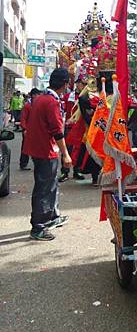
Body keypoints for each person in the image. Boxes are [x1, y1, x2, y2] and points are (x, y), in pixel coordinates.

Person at [24, 68, 72, 241]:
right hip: (45, 149)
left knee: (49, 185)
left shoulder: (41, 98)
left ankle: (52, 216)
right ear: (65, 84)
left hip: (38, 148)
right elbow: (57, 131)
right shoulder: (51, 102)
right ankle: (38, 226)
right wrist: (66, 155)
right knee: (45, 188)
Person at [59, 76, 88, 182]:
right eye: (81, 83)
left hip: (81, 127)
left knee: (79, 149)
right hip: (70, 127)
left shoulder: (87, 97)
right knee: (66, 149)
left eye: (85, 84)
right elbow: (61, 110)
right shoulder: (68, 96)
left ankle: (77, 170)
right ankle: (65, 172)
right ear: (77, 84)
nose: (83, 86)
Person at [19, 88, 41, 170]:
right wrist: (24, 129)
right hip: (27, 130)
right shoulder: (28, 105)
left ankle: (37, 163)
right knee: (25, 148)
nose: (39, 96)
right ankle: (23, 164)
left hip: (35, 130)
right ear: (34, 95)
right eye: (38, 95)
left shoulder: (37, 104)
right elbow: (23, 118)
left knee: (35, 147)